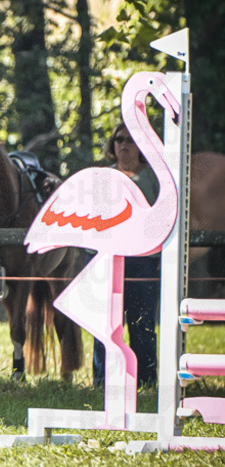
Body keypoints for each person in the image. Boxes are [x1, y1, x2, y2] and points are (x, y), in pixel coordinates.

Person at [92, 123, 161, 388]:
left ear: (141, 145)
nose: (124, 144)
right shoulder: (102, 178)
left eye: (130, 140)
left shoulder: (155, 179)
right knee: (105, 328)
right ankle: (102, 382)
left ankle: (146, 381)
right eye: (119, 139)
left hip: (144, 263)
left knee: (142, 328)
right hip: (108, 263)